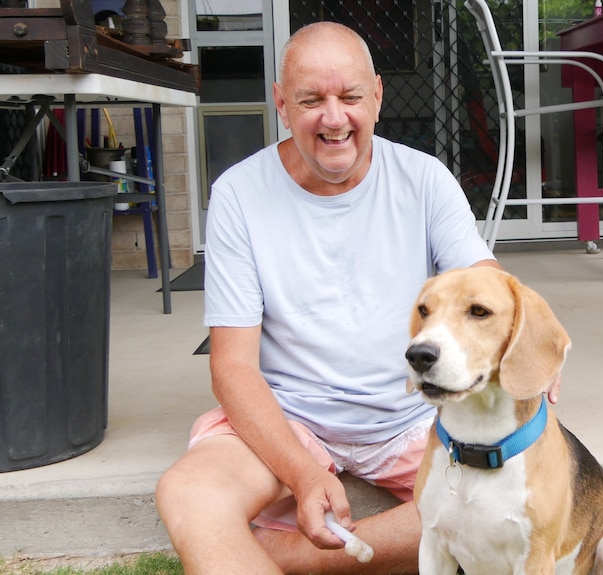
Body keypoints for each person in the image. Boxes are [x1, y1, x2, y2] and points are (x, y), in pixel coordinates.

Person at [155, 21, 501, 575]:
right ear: (281, 105)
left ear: (378, 97)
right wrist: (302, 472)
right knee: (189, 493)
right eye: (311, 99)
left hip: (416, 416)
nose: (334, 118)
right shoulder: (239, 195)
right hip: (290, 417)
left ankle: (300, 558)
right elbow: (233, 367)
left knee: (506, 493)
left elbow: (485, 284)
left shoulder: (424, 179)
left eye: (351, 97)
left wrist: (525, 331)